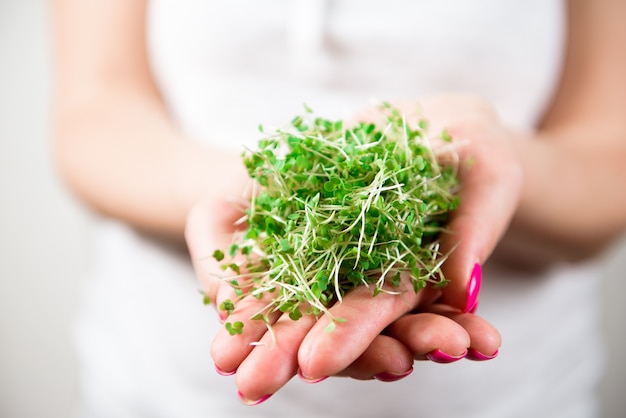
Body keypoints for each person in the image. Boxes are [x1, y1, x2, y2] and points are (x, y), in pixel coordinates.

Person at [51, 0, 626, 417]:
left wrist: (500, 155)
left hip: (515, 399)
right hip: (161, 390)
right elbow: (94, 110)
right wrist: (238, 188)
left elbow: (610, 167)